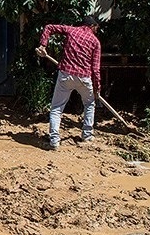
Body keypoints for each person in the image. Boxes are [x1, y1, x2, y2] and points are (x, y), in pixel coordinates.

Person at [36, 16, 102, 151]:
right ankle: (87, 135)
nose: (97, 31)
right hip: (84, 78)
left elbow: (49, 27)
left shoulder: (71, 31)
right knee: (89, 104)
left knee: (56, 108)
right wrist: (97, 88)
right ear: (93, 26)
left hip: (65, 75)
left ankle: (54, 141)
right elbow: (95, 69)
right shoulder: (95, 42)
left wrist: (43, 45)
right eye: (97, 28)